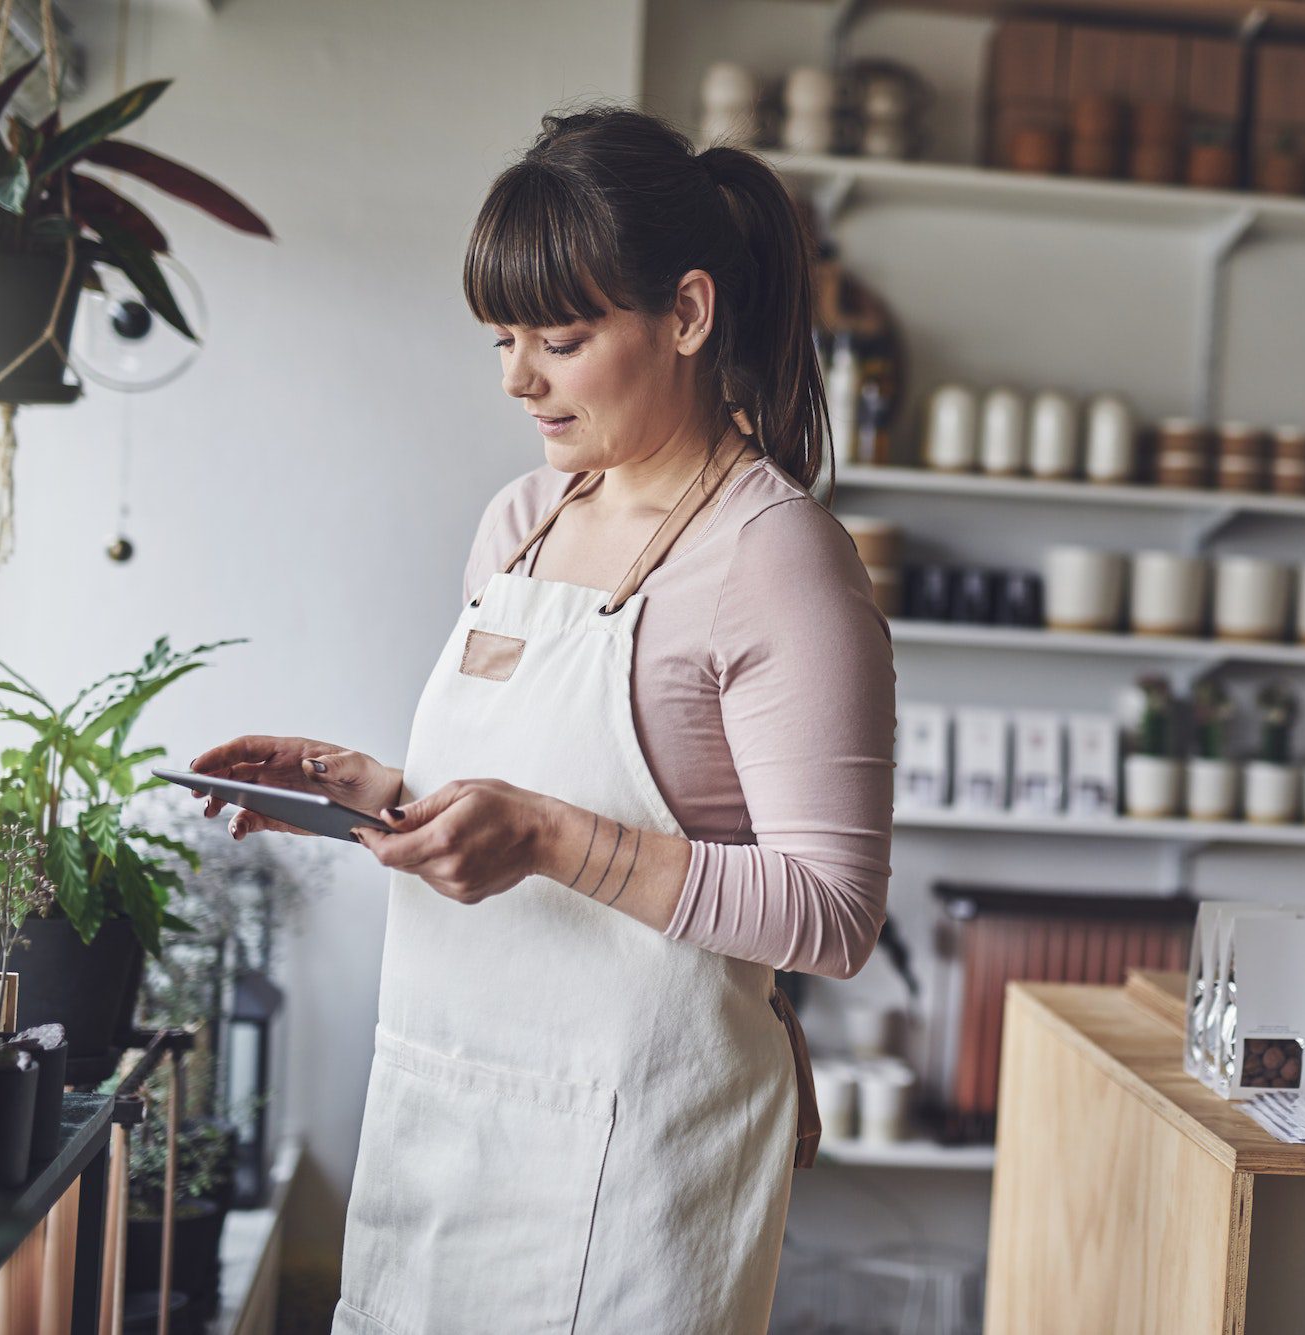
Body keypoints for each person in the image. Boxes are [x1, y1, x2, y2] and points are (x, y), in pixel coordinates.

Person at [188, 104, 895, 1333]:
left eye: (559, 339)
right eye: (502, 338)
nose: (518, 379)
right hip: (443, 1121)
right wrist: (375, 794)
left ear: (685, 314)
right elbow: (524, 805)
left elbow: (829, 916)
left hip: (637, 1164)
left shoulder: (775, 558)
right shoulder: (524, 519)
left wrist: (550, 839)